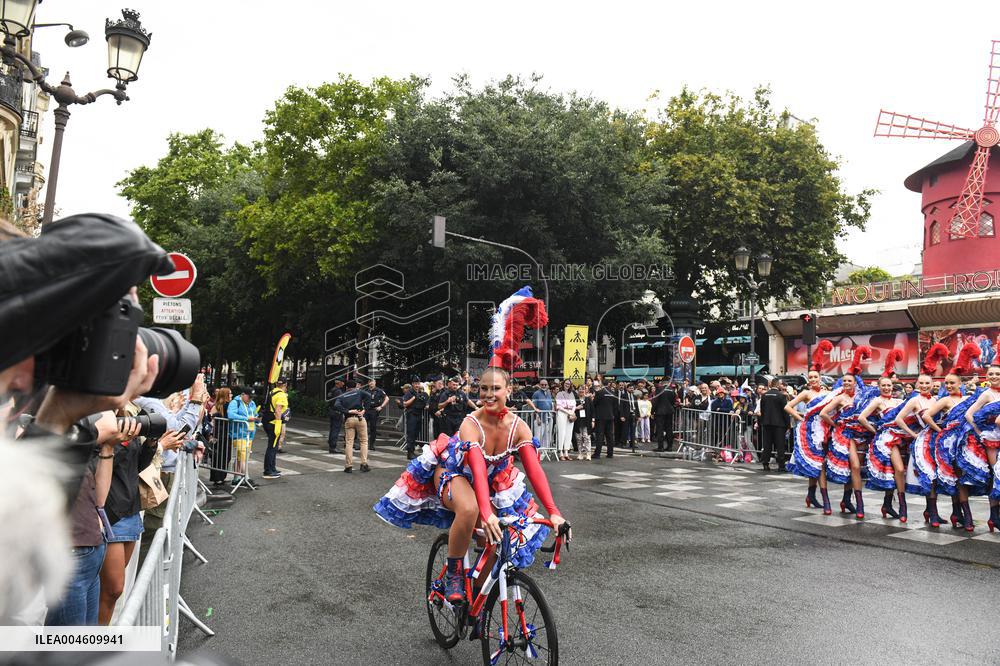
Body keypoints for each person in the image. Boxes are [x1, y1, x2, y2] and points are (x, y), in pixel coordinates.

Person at [373, 286, 570, 606]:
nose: (489, 394)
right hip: (455, 475)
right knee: (471, 509)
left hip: (495, 481)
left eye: (496, 388)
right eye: (483, 388)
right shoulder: (470, 424)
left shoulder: (519, 427)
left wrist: (555, 513)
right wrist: (488, 513)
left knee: (505, 542)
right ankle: (452, 572)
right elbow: (477, 469)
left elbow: (535, 471)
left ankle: (476, 599)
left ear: (509, 390)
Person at [784, 352, 833, 513]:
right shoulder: (806, 393)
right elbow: (788, 406)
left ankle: (811, 496)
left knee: (817, 464)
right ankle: (826, 501)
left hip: (825, 431)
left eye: (815, 377)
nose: (812, 379)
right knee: (818, 465)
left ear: (820, 377)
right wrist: (801, 417)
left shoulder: (827, 394)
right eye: (810, 377)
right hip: (809, 432)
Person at [963, 363, 1000, 532]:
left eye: (997, 374)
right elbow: (968, 414)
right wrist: (980, 432)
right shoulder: (986, 394)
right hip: (993, 439)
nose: (994, 376)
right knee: (996, 475)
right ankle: (994, 516)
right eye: (991, 374)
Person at [334, 379, 372, 472]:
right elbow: (369, 396)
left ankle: (348, 466)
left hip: (349, 419)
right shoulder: (359, 392)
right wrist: (364, 410)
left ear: (346, 387)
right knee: (363, 441)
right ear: (355, 386)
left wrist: (348, 411)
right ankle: (364, 464)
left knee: (349, 442)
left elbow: (336, 405)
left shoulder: (342, 395)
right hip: (360, 417)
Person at [227, 389, 259, 486]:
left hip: (250, 434)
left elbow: (254, 414)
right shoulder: (235, 402)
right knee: (242, 456)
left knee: (242, 457)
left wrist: (257, 418)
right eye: (249, 397)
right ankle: (247, 478)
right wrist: (246, 419)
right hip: (239, 434)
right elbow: (231, 415)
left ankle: (236, 478)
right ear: (243, 394)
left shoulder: (252, 403)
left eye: (252, 397)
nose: (250, 399)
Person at [758, 378, 790, 471]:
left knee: (767, 444)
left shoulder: (764, 396)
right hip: (779, 424)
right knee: (780, 445)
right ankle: (781, 465)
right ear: (778, 385)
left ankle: (765, 463)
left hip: (767, 423)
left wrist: (763, 421)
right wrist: (788, 424)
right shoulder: (781, 396)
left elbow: (762, 410)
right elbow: (785, 412)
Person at [262, 379, 289, 479]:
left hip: (267, 420)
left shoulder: (272, 392)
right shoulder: (281, 395)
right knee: (272, 447)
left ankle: (272, 468)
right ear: (285, 385)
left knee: (273, 446)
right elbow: (278, 410)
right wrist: (279, 424)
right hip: (274, 422)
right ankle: (268, 470)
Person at [207, 387, 232, 486]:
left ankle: (218, 477)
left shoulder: (216, 406)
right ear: (225, 395)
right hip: (221, 434)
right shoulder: (223, 406)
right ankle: (219, 478)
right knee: (222, 456)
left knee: (220, 456)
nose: (231, 395)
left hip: (219, 434)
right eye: (230, 394)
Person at [591, 379, 618, 459]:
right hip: (610, 416)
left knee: (600, 435)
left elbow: (594, 403)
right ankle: (610, 453)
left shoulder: (599, 393)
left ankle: (597, 453)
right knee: (610, 435)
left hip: (600, 417)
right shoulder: (612, 393)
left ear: (602, 384)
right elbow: (615, 406)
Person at [403, 379, 429, 460]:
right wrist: (414, 398)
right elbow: (405, 403)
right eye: (415, 384)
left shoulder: (421, 393)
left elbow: (425, 402)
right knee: (411, 434)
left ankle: (412, 451)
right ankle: (409, 453)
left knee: (415, 434)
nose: (417, 385)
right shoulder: (409, 392)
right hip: (412, 415)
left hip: (419, 415)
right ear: (413, 384)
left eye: (418, 384)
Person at [527, 379, 554, 450]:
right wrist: (537, 416)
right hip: (539, 418)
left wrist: (551, 413)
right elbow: (534, 407)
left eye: (545, 385)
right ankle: (536, 452)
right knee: (538, 436)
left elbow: (550, 404)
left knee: (547, 436)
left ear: (547, 385)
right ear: (539, 385)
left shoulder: (548, 393)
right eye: (542, 385)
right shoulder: (536, 394)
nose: (544, 386)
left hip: (548, 417)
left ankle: (544, 452)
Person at [554, 379, 577, 461]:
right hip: (562, 413)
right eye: (566, 383)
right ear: (563, 384)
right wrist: (568, 412)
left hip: (570, 413)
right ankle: (560, 452)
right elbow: (559, 406)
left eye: (569, 384)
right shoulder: (559, 394)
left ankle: (566, 452)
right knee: (562, 432)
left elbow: (574, 404)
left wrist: (572, 412)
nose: (567, 385)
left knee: (569, 433)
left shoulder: (572, 394)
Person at [651, 381, 676, 452]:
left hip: (660, 412)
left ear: (662, 384)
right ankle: (670, 446)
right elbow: (673, 401)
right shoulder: (672, 390)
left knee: (660, 430)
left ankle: (660, 447)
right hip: (669, 412)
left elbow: (655, 401)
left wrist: (652, 412)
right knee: (669, 429)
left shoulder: (659, 389)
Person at [364, 378, 389, 449]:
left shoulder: (379, 390)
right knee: (363, 427)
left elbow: (387, 398)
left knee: (373, 427)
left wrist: (381, 406)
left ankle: (371, 444)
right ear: (368, 383)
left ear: (375, 383)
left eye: (372, 382)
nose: (371, 383)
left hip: (374, 410)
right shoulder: (366, 390)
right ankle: (363, 444)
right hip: (366, 410)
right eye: (369, 382)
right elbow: (362, 399)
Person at [574, 384, 593, 460]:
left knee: (586, 437)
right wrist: (576, 408)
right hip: (577, 421)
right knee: (579, 438)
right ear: (577, 390)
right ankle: (580, 453)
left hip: (586, 421)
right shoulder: (575, 399)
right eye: (580, 389)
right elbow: (571, 408)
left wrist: (593, 420)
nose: (581, 390)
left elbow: (592, 410)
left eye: (583, 389)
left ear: (585, 390)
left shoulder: (588, 399)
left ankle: (588, 454)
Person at [326, 378, 345, 454]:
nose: (343, 384)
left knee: (332, 428)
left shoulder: (331, 390)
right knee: (335, 429)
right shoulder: (338, 391)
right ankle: (333, 447)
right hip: (337, 412)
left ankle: (331, 444)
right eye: (342, 382)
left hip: (331, 411)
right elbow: (339, 403)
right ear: (338, 383)